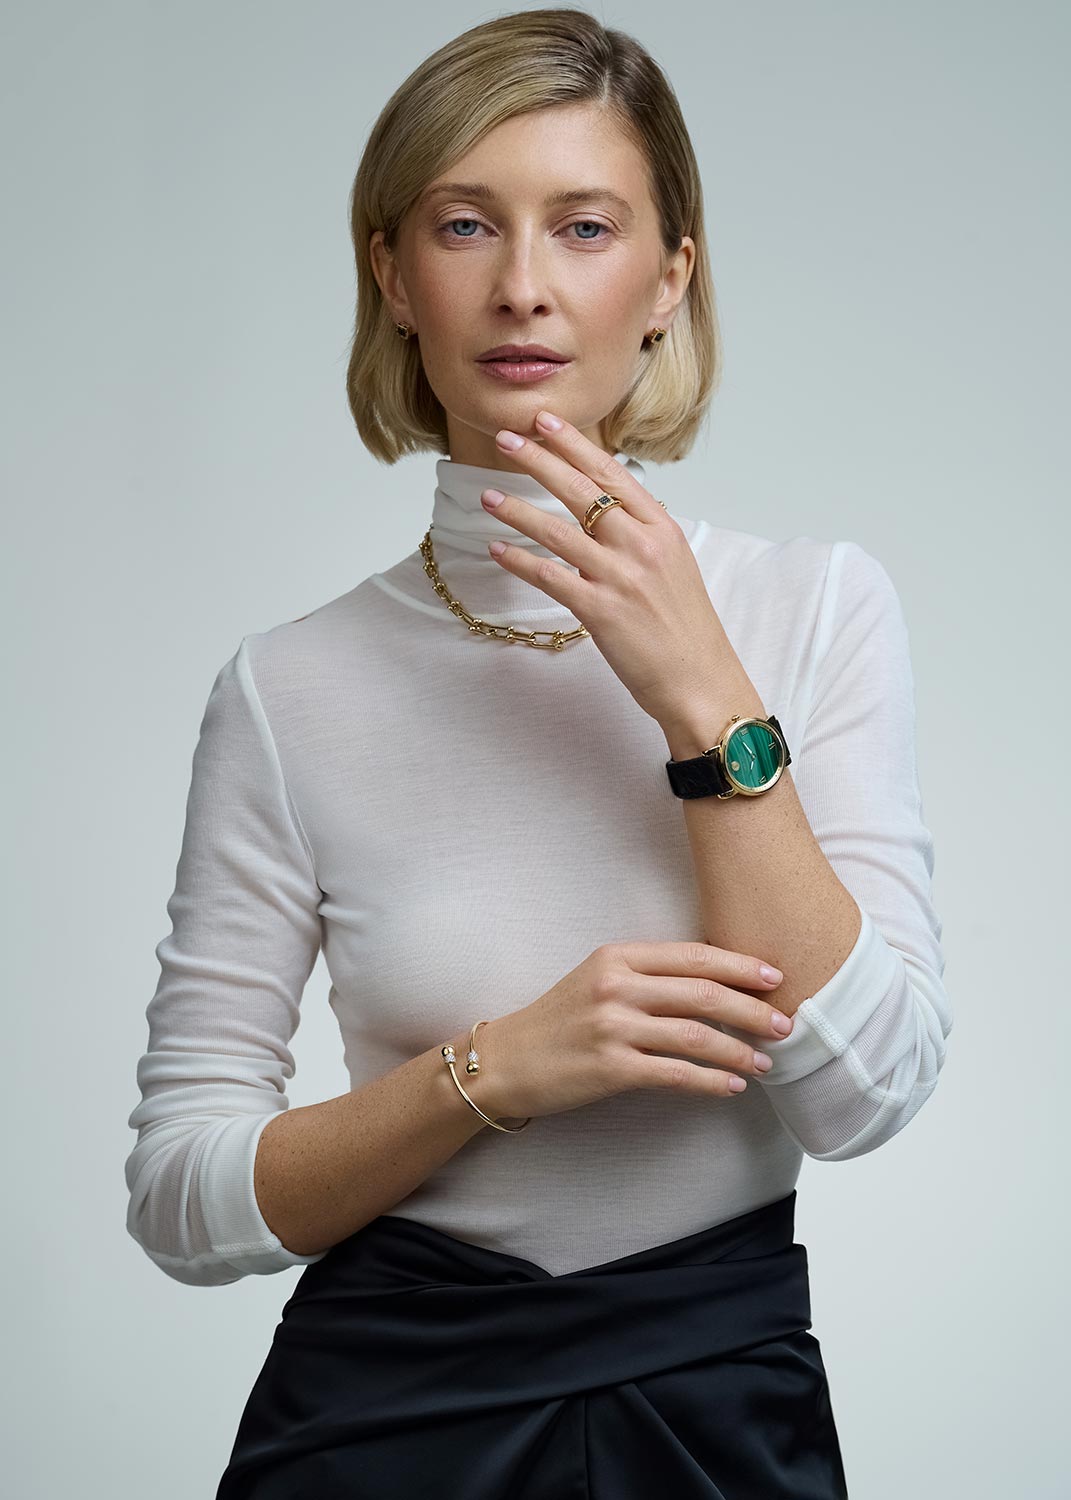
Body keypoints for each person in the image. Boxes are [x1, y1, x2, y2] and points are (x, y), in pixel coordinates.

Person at [124, 9, 953, 1497]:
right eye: (465, 225)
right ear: (393, 276)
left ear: (669, 279)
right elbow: (182, 1202)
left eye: (584, 227)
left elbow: (866, 1097)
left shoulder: (814, 607)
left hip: (718, 1424)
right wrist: (492, 1072)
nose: (522, 285)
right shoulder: (285, 688)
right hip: (379, 1424)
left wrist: (702, 695)